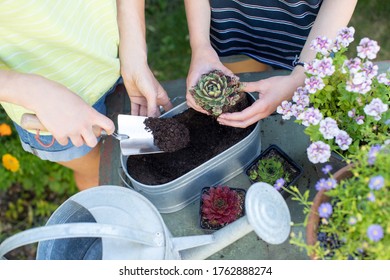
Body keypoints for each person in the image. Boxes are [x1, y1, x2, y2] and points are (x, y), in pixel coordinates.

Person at [0, 0, 172, 191]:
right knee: (98, 174)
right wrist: (32, 92)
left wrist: (134, 51)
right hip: (51, 111)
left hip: (113, 60)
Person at [184, 0, 358, 128]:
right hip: (232, 30)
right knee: (245, 76)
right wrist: (200, 46)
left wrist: (300, 77)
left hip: (308, 42)